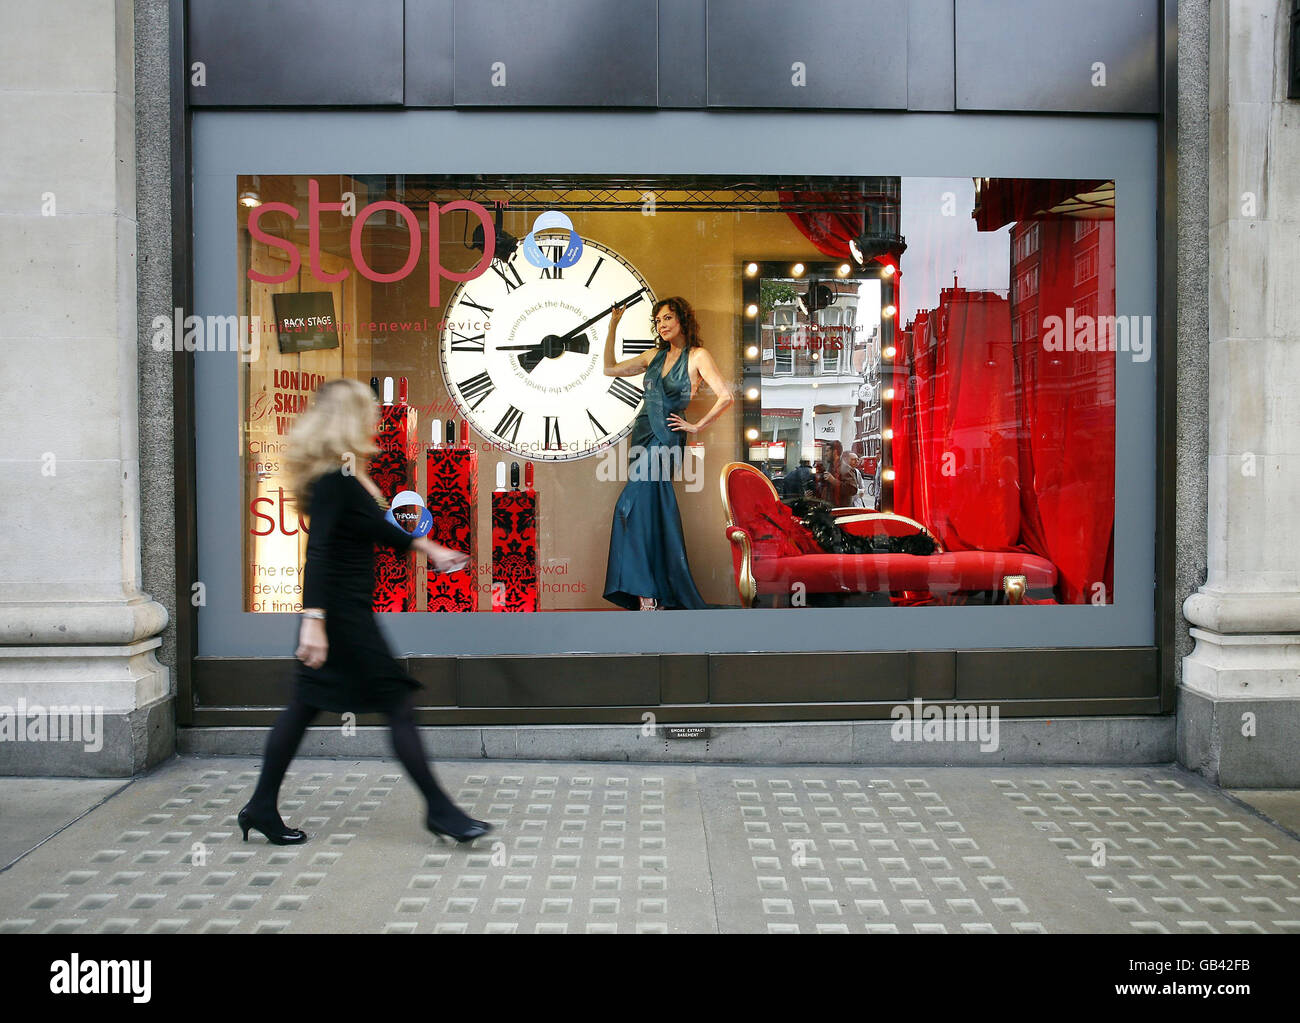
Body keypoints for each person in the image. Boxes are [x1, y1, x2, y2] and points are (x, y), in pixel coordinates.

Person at [239, 378, 490, 845]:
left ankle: (260, 807)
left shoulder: (341, 474)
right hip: (341, 619)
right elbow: (320, 552)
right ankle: (440, 812)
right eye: (368, 411)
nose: (375, 418)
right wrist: (313, 623)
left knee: (302, 708)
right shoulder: (335, 480)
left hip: (342, 613)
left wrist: (430, 549)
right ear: (350, 418)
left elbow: (376, 529)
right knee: (396, 703)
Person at [603, 296, 733, 610]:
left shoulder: (698, 356)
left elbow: (726, 395)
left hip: (667, 438)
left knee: (629, 505)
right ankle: (658, 593)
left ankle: (647, 591)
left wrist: (696, 426)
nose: (662, 325)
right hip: (643, 433)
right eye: (658, 321)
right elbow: (609, 369)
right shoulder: (652, 356)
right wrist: (614, 323)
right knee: (650, 514)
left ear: (682, 320)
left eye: (668, 319)